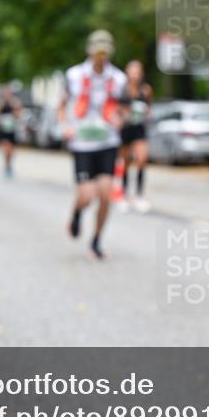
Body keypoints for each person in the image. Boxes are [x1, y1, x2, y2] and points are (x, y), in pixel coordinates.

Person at [56, 29, 126, 260]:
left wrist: (120, 118)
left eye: (105, 53)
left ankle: (96, 240)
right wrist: (65, 126)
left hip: (107, 141)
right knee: (87, 195)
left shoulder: (118, 78)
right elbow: (61, 106)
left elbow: (124, 108)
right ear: (89, 51)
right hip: (83, 143)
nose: (101, 57)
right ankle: (77, 212)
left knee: (105, 194)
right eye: (97, 52)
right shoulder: (73, 75)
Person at [117, 60, 153, 213]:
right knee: (125, 162)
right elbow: (115, 107)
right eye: (132, 71)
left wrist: (145, 112)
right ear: (127, 72)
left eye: (137, 72)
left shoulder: (146, 90)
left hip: (139, 128)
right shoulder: (121, 89)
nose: (135, 75)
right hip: (125, 128)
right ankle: (124, 195)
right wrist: (123, 114)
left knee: (142, 159)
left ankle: (139, 196)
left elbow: (149, 107)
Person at [0, 85, 23, 178]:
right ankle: (6, 166)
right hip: (3, 130)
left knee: (11, 151)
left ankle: (9, 164)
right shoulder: (0, 102)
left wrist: (15, 110)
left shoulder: (15, 102)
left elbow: (19, 114)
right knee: (6, 149)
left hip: (12, 129)